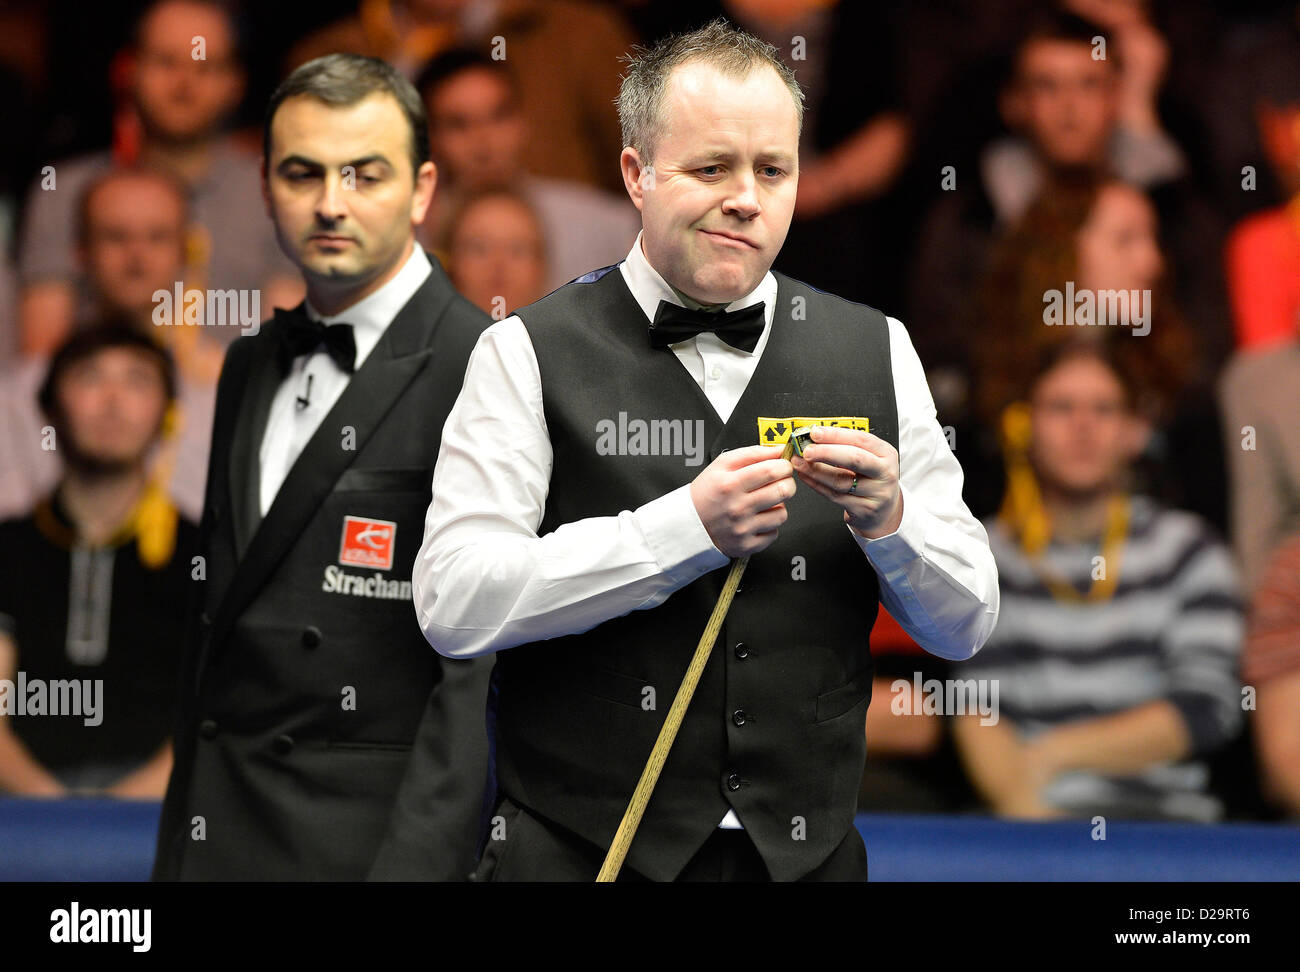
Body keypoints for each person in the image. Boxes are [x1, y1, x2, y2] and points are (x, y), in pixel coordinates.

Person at [405, 19, 999, 882]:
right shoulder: (526, 350)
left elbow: (967, 624)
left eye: (773, 169)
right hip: (581, 852)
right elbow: (453, 603)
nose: (747, 198)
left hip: (807, 858)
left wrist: (892, 521)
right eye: (711, 168)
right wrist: (680, 530)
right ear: (636, 175)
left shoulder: (877, 348)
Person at [153, 54, 493, 881]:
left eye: (364, 175)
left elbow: (483, 677)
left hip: (366, 850)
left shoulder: (485, 367)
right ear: (266, 186)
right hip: (216, 835)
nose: (330, 204)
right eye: (303, 174)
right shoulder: (248, 364)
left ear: (421, 191)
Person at [953, 342, 1244, 822]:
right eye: (1061, 407)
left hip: (1168, 826)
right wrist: (1030, 822)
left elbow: (1205, 709)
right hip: (1027, 822)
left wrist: (1054, 754)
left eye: (1104, 409)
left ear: (1136, 431)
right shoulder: (983, 555)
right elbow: (976, 709)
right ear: (1022, 428)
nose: (1082, 425)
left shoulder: (1191, 552)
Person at [16, 0, 301, 355]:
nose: (184, 84)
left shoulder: (277, 196)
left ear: (235, 83)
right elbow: (39, 359)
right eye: (166, 62)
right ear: (128, 70)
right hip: (95, 402)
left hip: (233, 404)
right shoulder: (62, 189)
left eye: (205, 67)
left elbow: (287, 356)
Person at [0, 323, 196, 797]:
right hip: (21, 812)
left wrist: (116, 819)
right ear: (49, 408)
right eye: (90, 377)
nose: (113, 400)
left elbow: (216, 713)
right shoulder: (8, 547)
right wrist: (58, 816)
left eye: (137, 380)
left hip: (161, 814)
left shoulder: (206, 552)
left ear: (168, 414)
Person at [415, 48, 639, 294]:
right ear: (430, 139)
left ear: (523, 121)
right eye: (458, 124)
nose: (484, 142)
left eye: (499, 115)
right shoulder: (408, 242)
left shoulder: (604, 227)